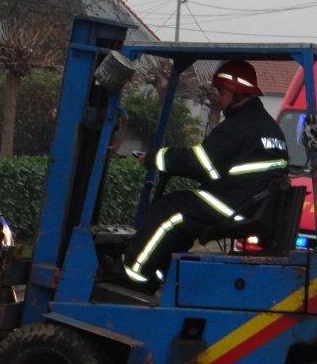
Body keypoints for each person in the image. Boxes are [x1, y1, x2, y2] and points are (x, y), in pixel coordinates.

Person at [122, 60, 289, 287]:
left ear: (237, 94)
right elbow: (219, 168)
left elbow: (200, 163)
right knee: (186, 217)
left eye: (222, 92)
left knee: (169, 207)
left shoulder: (238, 127)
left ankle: (133, 273)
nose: (218, 100)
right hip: (252, 205)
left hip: (234, 204)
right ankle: (163, 273)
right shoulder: (269, 127)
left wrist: (155, 159)